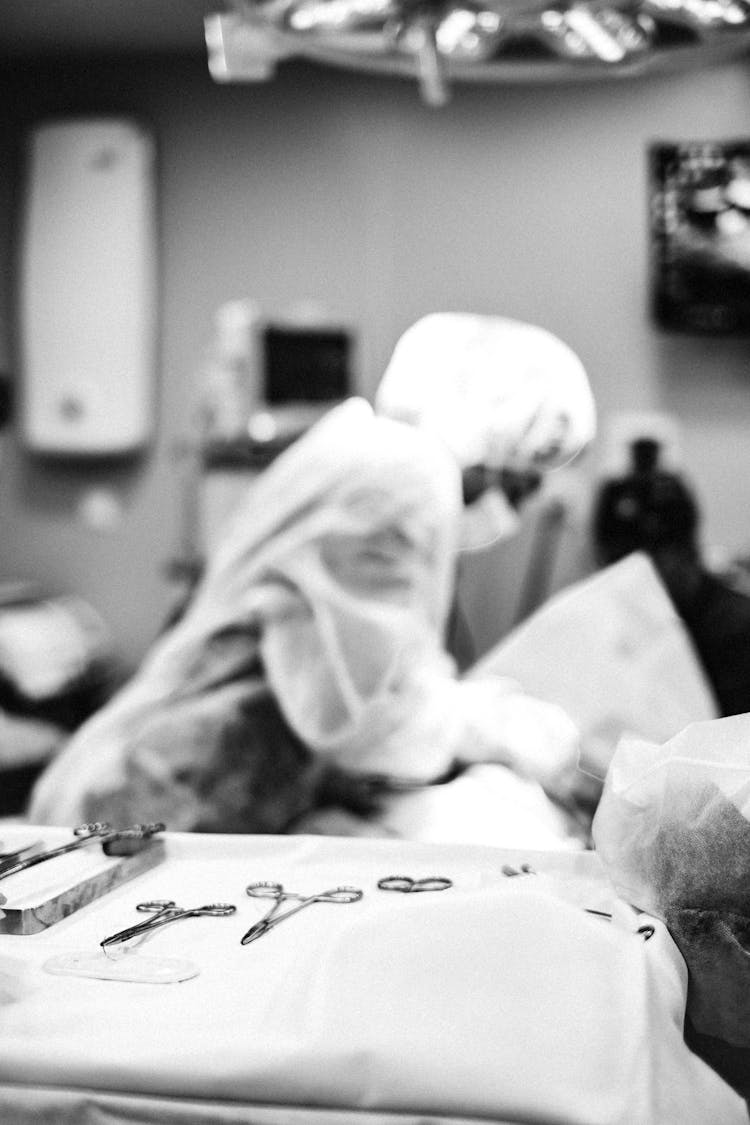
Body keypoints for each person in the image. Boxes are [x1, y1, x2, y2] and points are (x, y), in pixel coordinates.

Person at [28, 312, 596, 843]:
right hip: (146, 808)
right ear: (487, 439)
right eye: (520, 481)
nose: (513, 510)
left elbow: (377, 673)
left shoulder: (357, 450)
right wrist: (499, 730)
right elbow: (366, 725)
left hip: (148, 788)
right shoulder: (406, 474)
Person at [592, 434, 750, 718]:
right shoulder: (623, 621)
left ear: (685, 558)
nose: (643, 583)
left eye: (651, 570)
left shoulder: (735, 626)